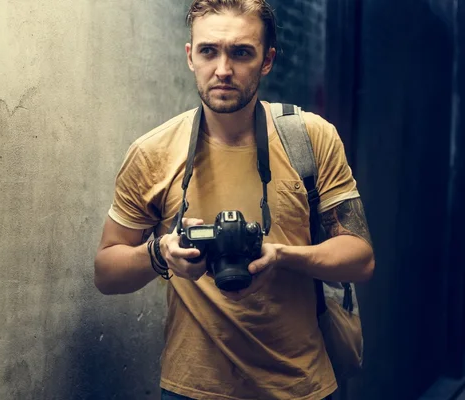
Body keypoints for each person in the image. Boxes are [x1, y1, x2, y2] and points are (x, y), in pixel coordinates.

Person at [94, 0, 375, 399]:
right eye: (209, 51)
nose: (223, 69)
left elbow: (361, 258)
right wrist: (161, 252)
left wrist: (280, 256)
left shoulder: (311, 139)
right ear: (191, 56)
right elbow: (106, 271)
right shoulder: (153, 152)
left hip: (301, 386)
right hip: (192, 387)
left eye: (241, 52)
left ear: (267, 60)